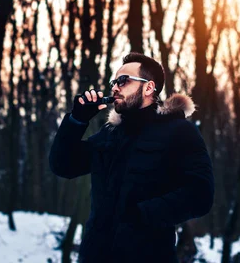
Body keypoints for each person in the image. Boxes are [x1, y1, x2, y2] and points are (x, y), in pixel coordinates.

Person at [49, 52, 214, 262]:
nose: (115, 87)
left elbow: (201, 195)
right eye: (114, 82)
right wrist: (76, 120)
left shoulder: (179, 131)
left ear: (148, 87)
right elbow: (63, 166)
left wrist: (142, 215)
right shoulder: (110, 133)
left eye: (123, 81)